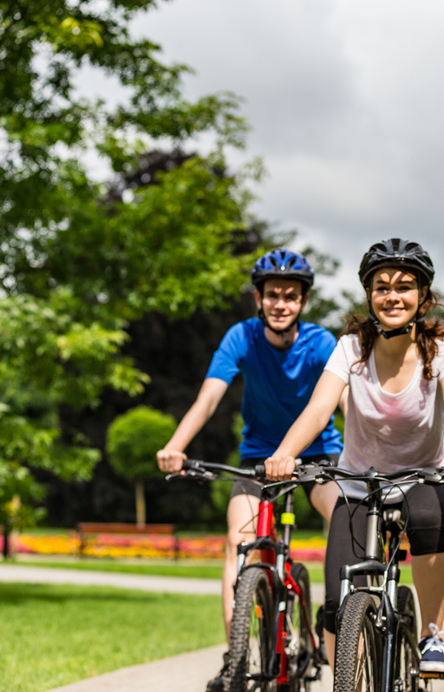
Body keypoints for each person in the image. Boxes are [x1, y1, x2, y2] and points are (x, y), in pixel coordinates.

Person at [264, 238, 444, 675]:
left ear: (423, 296)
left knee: (424, 519)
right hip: (359, 482)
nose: (392, 296)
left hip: (430, 477)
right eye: (381, 287)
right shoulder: (351, 348)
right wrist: (284, 454)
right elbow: (319, 408)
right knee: (335, 601)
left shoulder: (440, 351)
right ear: (369, 295)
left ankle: (431, 634)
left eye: (404, 286)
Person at [155, 248, 344, 692]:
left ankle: (334, 612)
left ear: (303, 302)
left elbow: (348, 403)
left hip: (319, 456)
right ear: (258, 298)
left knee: (346, 520)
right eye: (273, 294)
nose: (281, 303)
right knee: (238, 544)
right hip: (258, 459)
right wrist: (175, 446)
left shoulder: (321, 343)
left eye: (291, 296)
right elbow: (207, 399)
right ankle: (234, 658)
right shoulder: (240, 337)